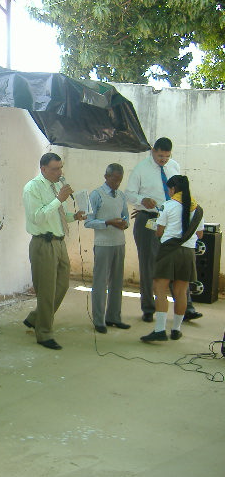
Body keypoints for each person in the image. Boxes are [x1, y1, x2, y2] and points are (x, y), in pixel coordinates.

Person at [125, 137, 202, 323]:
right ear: (153, 151)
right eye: (160, 156)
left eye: (167, 157)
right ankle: (148, 308)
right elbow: (129, 194)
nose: (163, 160)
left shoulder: (174, 166)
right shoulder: (141, 169)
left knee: (177, 263)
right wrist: (142, 200)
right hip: (149, 219)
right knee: (148, 264)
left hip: (174, 221)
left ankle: (186, 308)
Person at [22, 153, 86, 350]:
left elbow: (57, 215)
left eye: (60, 168)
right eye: (55, 169)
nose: (60, 173)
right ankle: (44, 333)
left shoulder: (57, 186)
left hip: (59, 241)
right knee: (46, 290)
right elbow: (37, 218)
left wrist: (74, 216)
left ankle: (35, 317)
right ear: (43, 169)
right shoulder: (32, 188)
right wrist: (59, 199)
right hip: (43, 242)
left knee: (62, 285)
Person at [141, 175, 204, 342]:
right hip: (188, 253)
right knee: (181, 291)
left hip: (169, 251)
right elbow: (200, 234)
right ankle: (176, 330)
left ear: (173, 189)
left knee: (160, 289)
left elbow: (159, 232)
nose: (169, 192)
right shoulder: (197, 208)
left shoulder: (168, 205)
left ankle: (160, 330)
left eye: (169, 189)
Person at [84, 163, 131, 333]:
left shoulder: (121, 195)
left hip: (119, 242)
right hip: (103, 244)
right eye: (114, 179)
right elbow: (88, 221)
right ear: (106, 177)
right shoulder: (96, 195)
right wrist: (107, 222)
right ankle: (99, 320)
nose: (117, 183)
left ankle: (114, 317)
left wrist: (124, 223)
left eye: (120, 180)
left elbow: (125, 216)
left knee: (117, 282)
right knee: (100, 282)